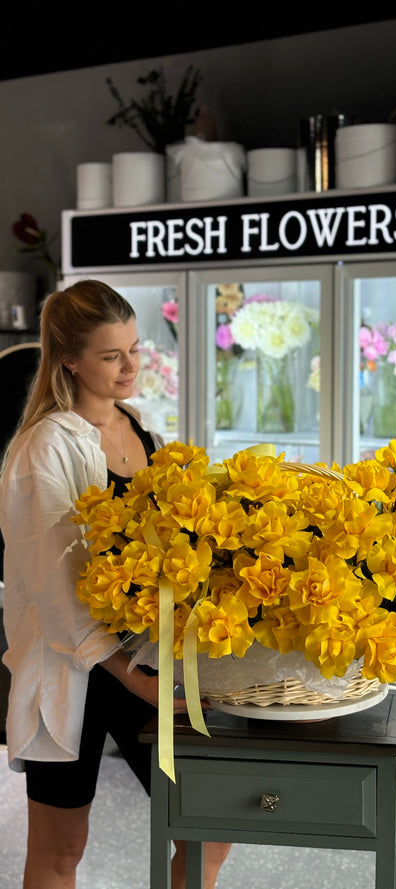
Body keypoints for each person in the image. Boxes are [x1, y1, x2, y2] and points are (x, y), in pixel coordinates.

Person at [0, 280, 231, 889]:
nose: (131, 366)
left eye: (135, 348)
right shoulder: (43, 449)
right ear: (69, 359)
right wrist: (141, 686)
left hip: (144, 656)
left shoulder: (140, 424)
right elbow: (58, 600)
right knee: (60, 849)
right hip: (77, 667)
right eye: (112, 355)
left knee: (208, 827)